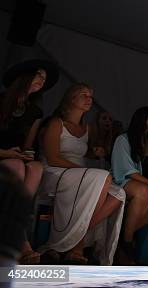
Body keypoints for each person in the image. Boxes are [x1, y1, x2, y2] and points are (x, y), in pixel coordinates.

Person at [39, 83, 125, 265]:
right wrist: (83, 170)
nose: (89, 99)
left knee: (119, 194)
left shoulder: (87, 128)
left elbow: (85, 153)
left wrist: (96, 152)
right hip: (56, 172)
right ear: (71, 98)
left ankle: (79, 234)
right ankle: (77, 245)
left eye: (91, 96)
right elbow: (52, 157)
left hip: (81, 175)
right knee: (101, 177)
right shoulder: (57, 123)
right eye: (84, 95)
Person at [0, 59, 58, 264]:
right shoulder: (2, 101)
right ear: (25, 76)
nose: (43, 80)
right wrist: (7, 154)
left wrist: (26, 155)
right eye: (39, 75)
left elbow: (27, 146)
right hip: (4, 157)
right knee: (16, 166)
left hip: (15, 160)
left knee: (35, 167)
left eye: (44, 78)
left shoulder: (35, 111)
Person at [111, 107, 148, 264]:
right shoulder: (123, 139)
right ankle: (128, 243)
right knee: (144, 191)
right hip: (122, 181)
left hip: (145, 183)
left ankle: (124, 236)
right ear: (140, 118)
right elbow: (126, 171)